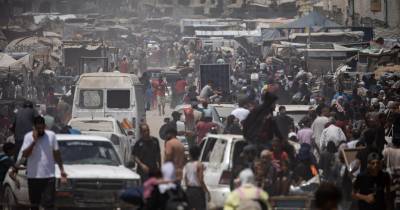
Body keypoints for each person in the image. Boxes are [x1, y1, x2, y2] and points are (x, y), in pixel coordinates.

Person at [20, 116, 67, 210]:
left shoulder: (51, 135)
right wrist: (34, 141)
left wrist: (62, 170)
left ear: (45, 126)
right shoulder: (28, 137)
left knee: (49, 204)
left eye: (42, 128)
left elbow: (56, 154)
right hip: (33, 177)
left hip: (49, 176)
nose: (40, 130)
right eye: (38, 128)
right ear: (34, 127)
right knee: (34, 204)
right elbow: (25, 154)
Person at [184, 146, 210, 210]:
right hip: (197, 191)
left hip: (189, 190)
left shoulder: (187, 165)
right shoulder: (199, 165)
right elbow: (200, 180)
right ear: (199, 154)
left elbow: (185, 179)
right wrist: (206, 191)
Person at [382, 137, 400, 208]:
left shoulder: (387, 151)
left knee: (390, 200)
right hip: (398, 178)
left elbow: (381, 161)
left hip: (390, 178)